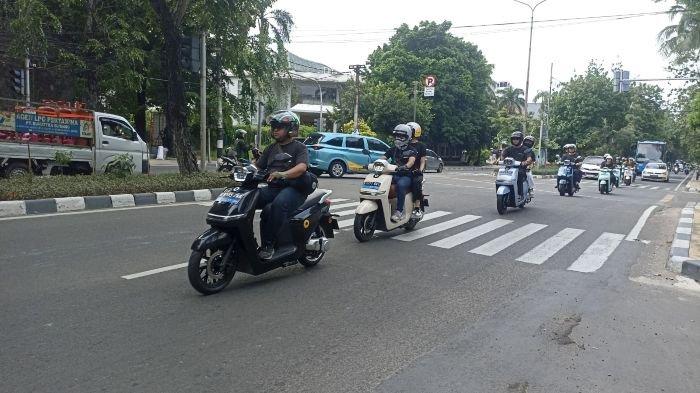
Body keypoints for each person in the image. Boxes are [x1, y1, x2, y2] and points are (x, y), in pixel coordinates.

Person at [253, 111, 309, 260]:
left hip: (293, 188)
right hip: (273, 188)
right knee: (249, 197)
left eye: (279, 127)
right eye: (273, 127)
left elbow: (302, 167)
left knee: (273, 207)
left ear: (290, 129)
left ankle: (269, 245)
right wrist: (241, 169)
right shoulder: (271, 148)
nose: (275, 130)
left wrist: (282, 174)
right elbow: (257, 167)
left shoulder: (299, 148)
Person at [382, 124, 417, 222]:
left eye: (401, 136)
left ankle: (399, 212)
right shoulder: (392, 150)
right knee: (379, 182)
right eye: (397, 135)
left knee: (400, 185)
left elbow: (411, 162)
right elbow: (383, 158)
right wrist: (375, 163)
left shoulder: (412, 150)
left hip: (406, 176)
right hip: (393, 174)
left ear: (408, 137)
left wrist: (405, 166)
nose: (398, 138)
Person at [501, 131, 531, 197]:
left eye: (517, 139)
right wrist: (498, 161)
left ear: (520, 140)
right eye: (513, 139)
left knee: (519, 175)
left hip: (520, 168)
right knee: (502, 175)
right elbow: (502, 157)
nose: (515, 140)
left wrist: (525, 162)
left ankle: (520, 194)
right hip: (509, 168)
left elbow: (529, 158)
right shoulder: (508, 148)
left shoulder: (525, 149)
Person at [406, 121, 427, 219]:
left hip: (415, 172)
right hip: (404, 170)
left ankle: (417, 207)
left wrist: (420, 170)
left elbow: (422, 161)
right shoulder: (404, 144)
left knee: (416, 183)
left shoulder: (421, 146)